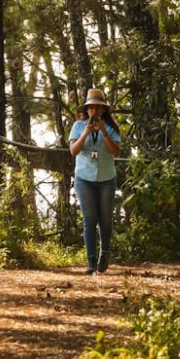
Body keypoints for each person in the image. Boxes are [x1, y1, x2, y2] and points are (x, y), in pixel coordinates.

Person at [68, 88, 121, 274]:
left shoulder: (112, 128)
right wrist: (86, 133)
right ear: (87, 110)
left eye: (98, 109)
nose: (94, 112)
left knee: (105, 220)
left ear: (104, 110)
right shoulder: (78, 126)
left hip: (106, 178)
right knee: (89, 218)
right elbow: (73, 151)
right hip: (84, 178)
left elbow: (116, 152)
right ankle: (91, 262)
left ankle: (104, 253)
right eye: (91, 108)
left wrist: (105, 132)